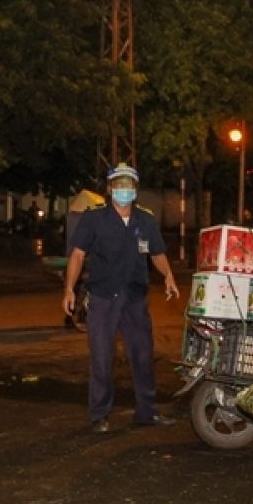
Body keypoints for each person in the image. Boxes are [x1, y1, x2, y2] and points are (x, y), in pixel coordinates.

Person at [63, 163, 179, 433]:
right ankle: (100, 415)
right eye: (119, 185)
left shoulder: (146, 220)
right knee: (102, 358)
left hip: (135, 299)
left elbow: (157, 253)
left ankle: (146, 413)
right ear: (109, 188)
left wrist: (168, 275)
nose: (124, 190)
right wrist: (69, 288)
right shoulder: (94, 219)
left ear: (136, 190)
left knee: (143, 356)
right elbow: (78, 254)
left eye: (129, 185)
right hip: (103, 298)